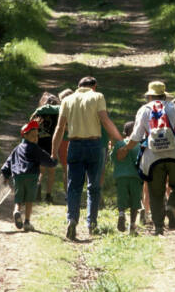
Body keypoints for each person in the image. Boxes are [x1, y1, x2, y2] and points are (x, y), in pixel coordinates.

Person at [51, 76, 123, 240]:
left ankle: (72, 219)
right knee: (94, 186)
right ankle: (91, 223)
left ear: (78, 86)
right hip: (94, 145)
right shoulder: (97, 97)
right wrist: (120, 140)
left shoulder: (68, 100)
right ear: (94, 86)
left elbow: (60, 127)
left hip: (74, 145)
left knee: (74, 186)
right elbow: (105, 121)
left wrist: (53, 153)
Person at [118, 81, 175, 235]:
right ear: (165, 95)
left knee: (155, 192)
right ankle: (172, 207)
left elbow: (136, 136)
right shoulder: (173, 107)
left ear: (150, 95)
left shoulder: (144, 110)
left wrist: (125, 149)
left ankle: (158, 227)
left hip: (153, 157)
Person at [0, 120, 58, 231]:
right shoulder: (35, 148)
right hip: (31, 176)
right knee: (29, 200)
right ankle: (27, 222)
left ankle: (16, 211)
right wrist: (53, 162)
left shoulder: (17, 149)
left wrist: (5, 174)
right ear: (24, 135)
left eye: (36, 136)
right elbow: (44, 158)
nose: (35, 138)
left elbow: (9, 162)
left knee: (19, 198)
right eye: (32, 136)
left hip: (18, 177)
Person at [110, 121, 142, 235]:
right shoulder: (139, 145)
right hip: (136, 177)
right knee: (135, 202)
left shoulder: (119, 144)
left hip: (121, 176)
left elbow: (113, 159)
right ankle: (132, 225)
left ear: (125, 132)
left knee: (122, 199)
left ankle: (121, 214)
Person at [30, 92, 60, 203]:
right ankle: (48, 195)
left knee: (40, 170)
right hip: (51, 144)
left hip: (39, 143)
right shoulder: (57, 115)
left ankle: (37, 189)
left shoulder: (38, 114)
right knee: (51, 171)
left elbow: (30, 125)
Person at [57, 88, 74, 192]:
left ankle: (70, 192)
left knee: (69, 169)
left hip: (70, 140)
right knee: (66, 169)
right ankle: (67, 193)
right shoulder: (62, 110)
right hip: (64, 141)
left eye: (62, 100)